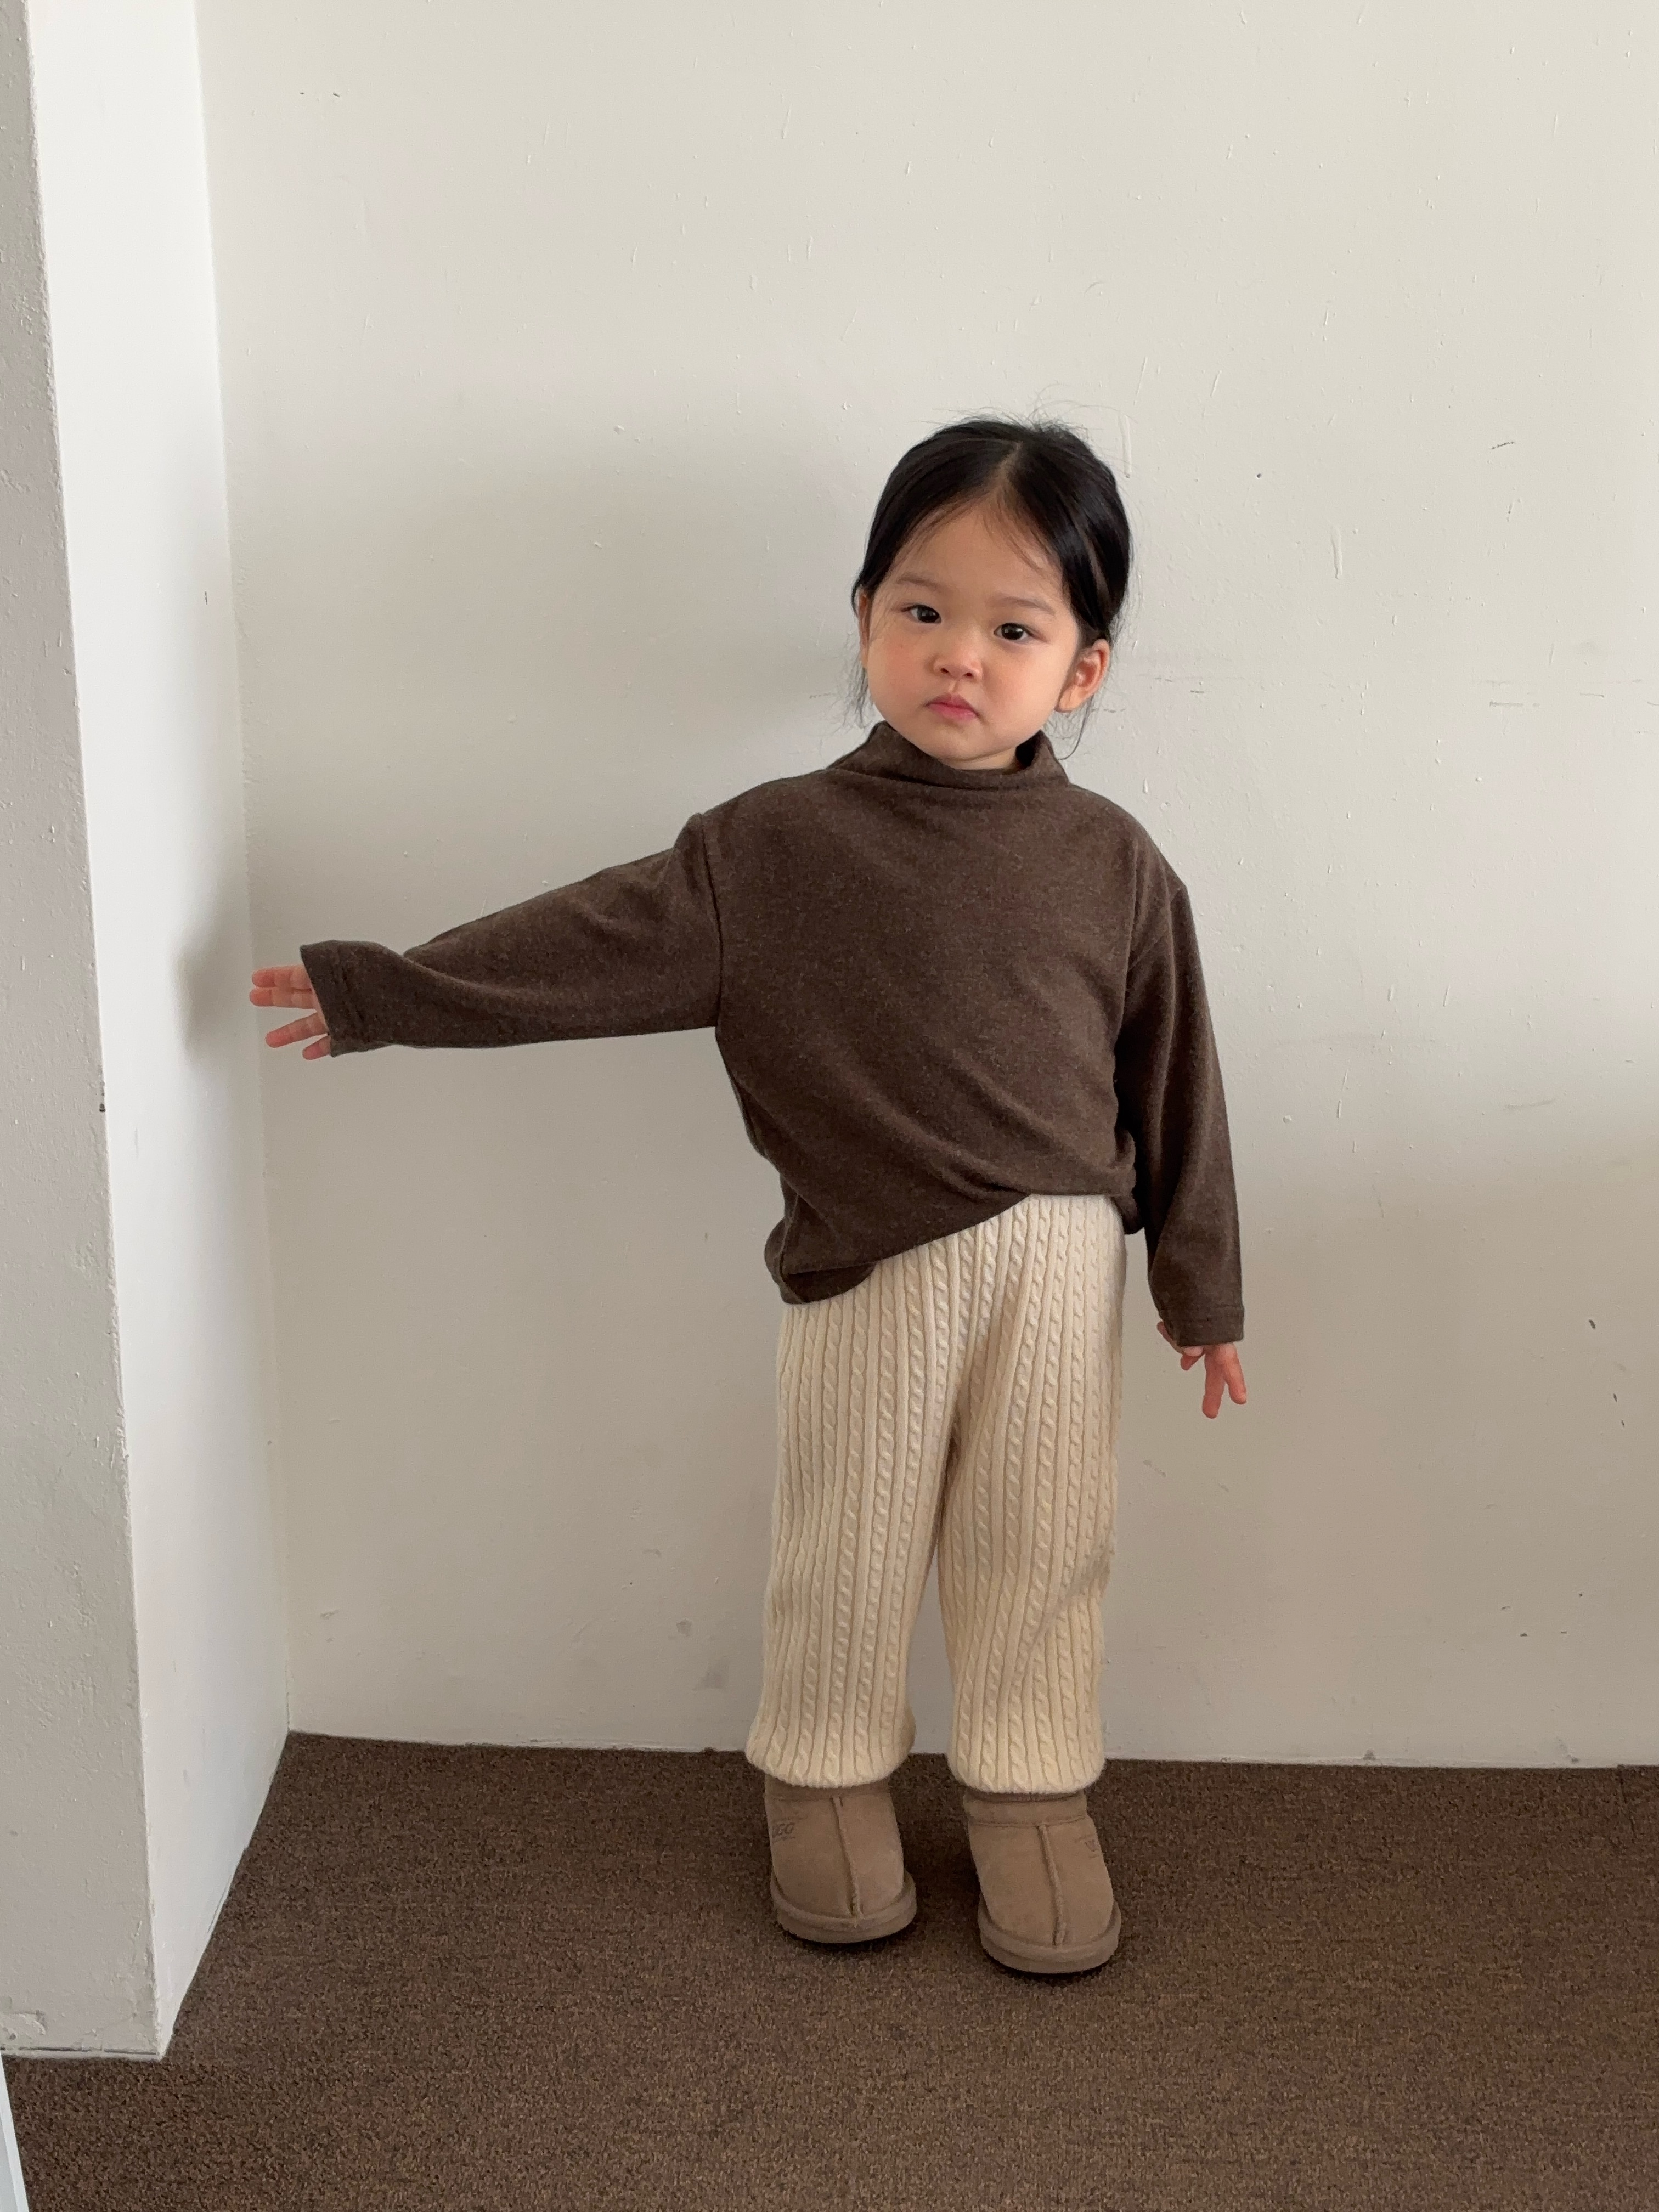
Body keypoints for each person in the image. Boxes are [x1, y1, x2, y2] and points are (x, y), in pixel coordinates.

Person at [251, 415, 1248, 1978]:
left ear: (1084, 669)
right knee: (849, 1541)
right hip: (868, 1271)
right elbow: (582, 944)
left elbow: (1177, 1079)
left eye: (1015, 628)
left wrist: (1204, 1291)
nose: (960, 654)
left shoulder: (1115, 863)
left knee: (1044, 1541)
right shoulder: (773, 848)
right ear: (864, 617)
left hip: (1064, 1272)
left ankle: (1032, 1792)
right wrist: (384, 990)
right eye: (922, 609)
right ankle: (826, 1778)